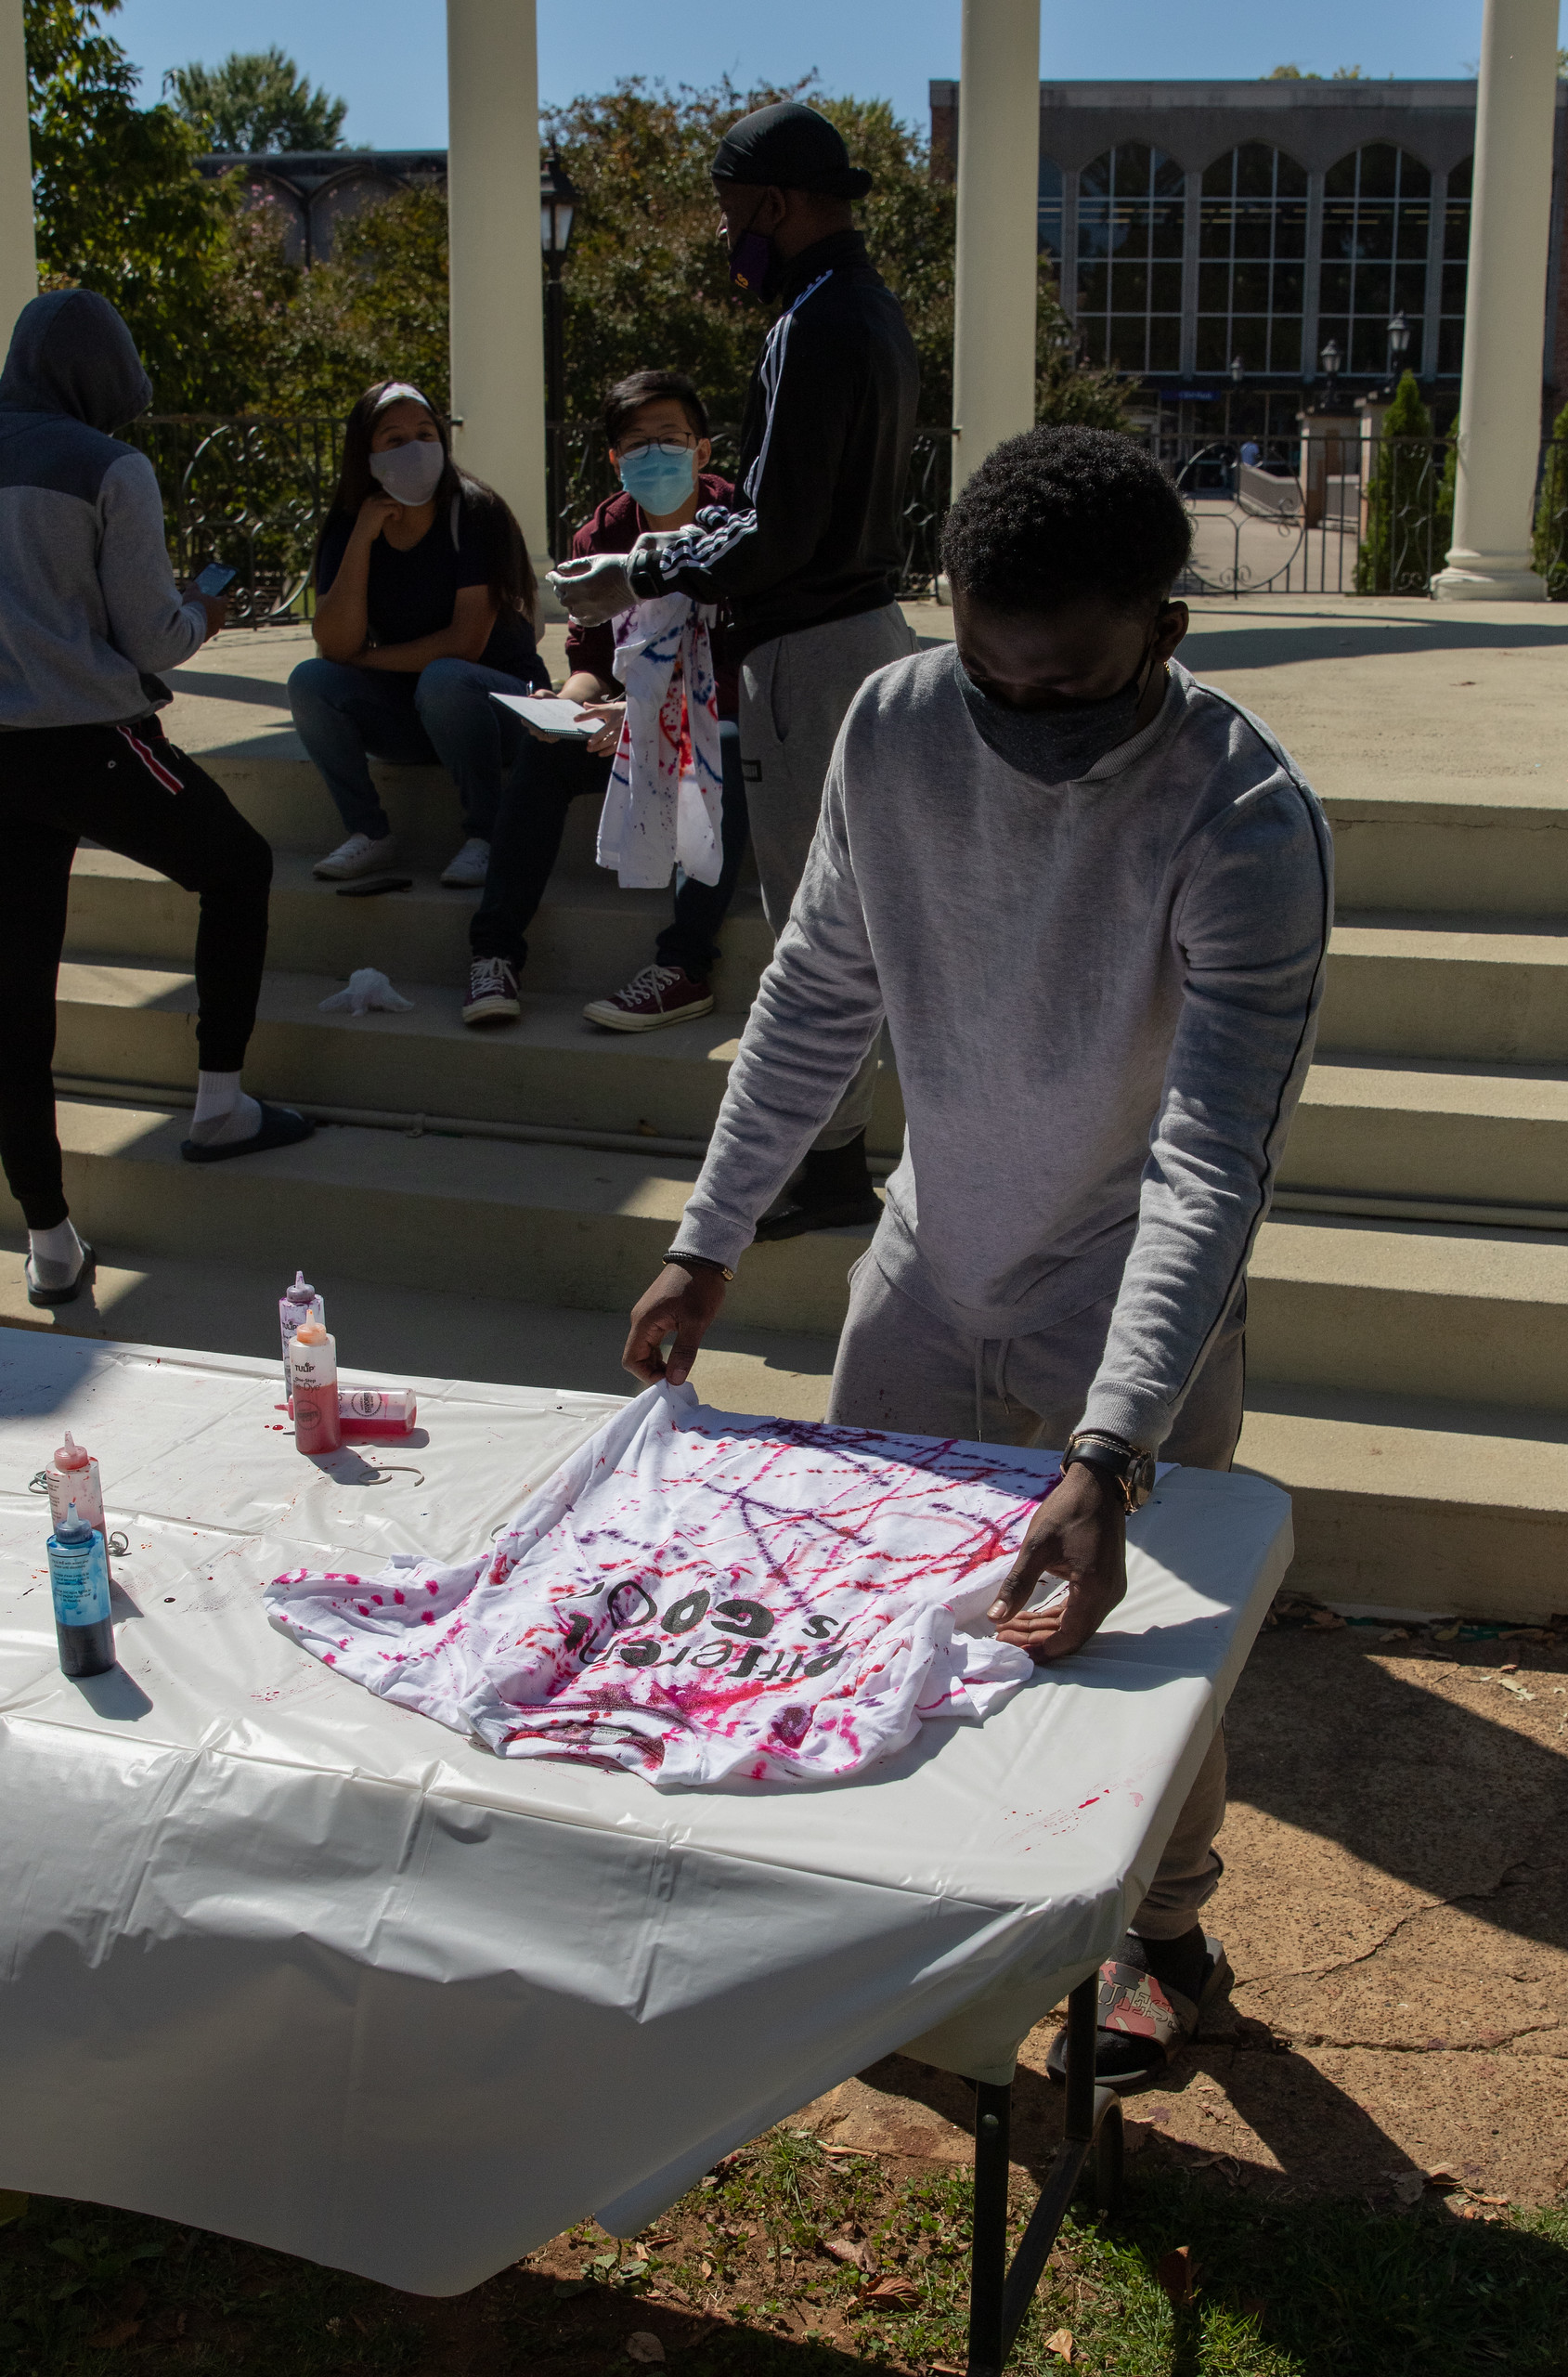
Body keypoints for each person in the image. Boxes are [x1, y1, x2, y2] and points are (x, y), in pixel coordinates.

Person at [620, 427, 1333, 2094]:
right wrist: (711, 1237)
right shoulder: (893, 725)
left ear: (1163, 632)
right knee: (864, 1600)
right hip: (928, 1267)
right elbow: (815, 993)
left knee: (1138, 1657)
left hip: (1125, 1299)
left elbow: (1209, 1161)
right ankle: (900, 1909)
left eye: (1067, 686)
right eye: (991, 676)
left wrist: (1114, 1445)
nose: (1020, 717)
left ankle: (1166, 1938)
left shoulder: (1243, 818)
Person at [553, 100, 920, 1235]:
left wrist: (638, 567)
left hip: (811, 653)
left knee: (819, 930)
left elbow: (780, 535)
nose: (727, 237)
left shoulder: (814, 321)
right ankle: (831, 1157)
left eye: (729, 214)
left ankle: (827, 1165)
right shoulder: (870, 308)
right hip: (856, 636)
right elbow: (783, 512)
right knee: (841, 920)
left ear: (773, 203)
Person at [0, 289, 313, 1309]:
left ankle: (49, 1241)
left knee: (14, 1005)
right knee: (239, 865)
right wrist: (203, 611)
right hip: (89, 742)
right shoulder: (109, 464)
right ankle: (219, 1104)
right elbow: (152, 638)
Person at [462, 369, 750, 1032]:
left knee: (724, 751)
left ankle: (684, 967)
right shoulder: (600, 538)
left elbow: (750, 668)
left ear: (703, 449)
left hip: (725, 724)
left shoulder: (740, 528)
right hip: (635, 724)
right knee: (542, 758)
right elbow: (591, 660)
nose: (655, 454)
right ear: (616, 459)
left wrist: (645, 714)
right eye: (637, 443)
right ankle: (494, 953)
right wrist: (567, 707)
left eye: (670, 437)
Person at [289, 381, 548, 890]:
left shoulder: (475, 512)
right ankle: (368, 833)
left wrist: (366, 658)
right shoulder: (348, 525)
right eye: (394, 439)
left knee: (446, 677)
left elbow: (463, 644)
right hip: (414, 719)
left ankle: (488, 836)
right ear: (366, 455)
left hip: (505, 713)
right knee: (310, 681)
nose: (415, 449)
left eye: (426, 434)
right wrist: (362, 538)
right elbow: (335, 645)